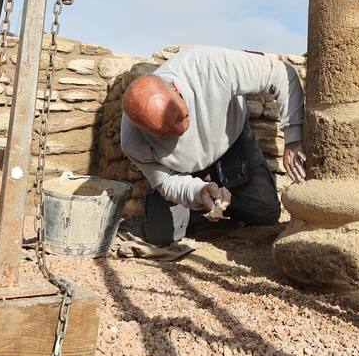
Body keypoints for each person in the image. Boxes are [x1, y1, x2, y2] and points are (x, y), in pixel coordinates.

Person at [120, 46, 307, 246]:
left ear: (175, 87)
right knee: (161, 237)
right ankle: (201, 204)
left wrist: (293, 137)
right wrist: (198, 191)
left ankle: (224, 199)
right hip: (179, 170)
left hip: (230, 143)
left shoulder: (209, 67)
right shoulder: (132, 139)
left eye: (180, 116)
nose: (180, 130)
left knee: (265, 212)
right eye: (165, 132)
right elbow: (166, 181)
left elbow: (280, 73)